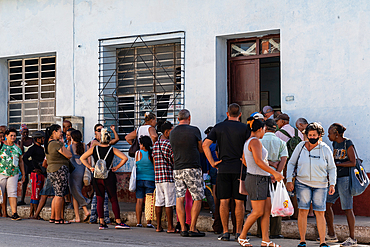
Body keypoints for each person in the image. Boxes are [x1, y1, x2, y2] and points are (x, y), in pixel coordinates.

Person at [203, 103, 249, 241]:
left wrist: (212, 162)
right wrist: (245, 159)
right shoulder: (245, 128)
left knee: (223, 201)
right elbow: (249, 145)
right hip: (239, 169)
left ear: (227, 113)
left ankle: (225, 232)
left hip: (223, 168)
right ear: (240, 114)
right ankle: (239, 232)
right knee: (239, 201)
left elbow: (205, 144)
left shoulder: (219, 127)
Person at [286, 122, 337, 247]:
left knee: (320, 212)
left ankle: (322, 242)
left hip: (321, 185)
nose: (312, 137)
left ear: (320, 135)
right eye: (310, 135)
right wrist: (288, 179)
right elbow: (291, 163)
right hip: (302, 183)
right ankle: (302, 241)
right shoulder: (300, 146)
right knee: (302, 211)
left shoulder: (325, 148)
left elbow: (332, 167)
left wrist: (332, 184)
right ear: (306, 135)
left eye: (315, 135)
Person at [237, 118, 284, 247]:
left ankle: (265, 240)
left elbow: (245, 160)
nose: (265, 131)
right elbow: (258, 161)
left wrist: (268, 173)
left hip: (261, 178)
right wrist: (274, 172)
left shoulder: (249, 141)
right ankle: (242, 236)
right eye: (264, 129)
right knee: (257, 211)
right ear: (260, 129)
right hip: (257, 179)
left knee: (266, 211)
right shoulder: (255, 141)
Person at [80, 128, 130, 230]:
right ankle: (118, 221)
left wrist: (90, 167)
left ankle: (102, 223)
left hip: (96, 176)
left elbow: (82, 158)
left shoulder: (94, 149)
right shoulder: (112, 150)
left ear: (100, 139)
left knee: (99, 198)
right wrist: (116, 167)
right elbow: (125, 158)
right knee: (113, 199)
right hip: (109, 175)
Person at [170, 109, 205, 237]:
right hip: (192, 168)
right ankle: (193, 228)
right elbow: (201, 149)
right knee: (198, 197)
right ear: (189, 118)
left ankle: (183, 228)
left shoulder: (172, 132)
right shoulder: (194, 130)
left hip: (177, 168)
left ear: (178, 119)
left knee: (179, 198)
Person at [325, 123, 357, 246]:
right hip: (335, 179)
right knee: (327, 204)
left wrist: (336, 165)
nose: (328, 136)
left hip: (345, 179)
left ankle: (352, 238)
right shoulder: (334, 144)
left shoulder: (347, 143)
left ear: (336, 133)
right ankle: (332, 234)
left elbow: (352, 162)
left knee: (348, 208)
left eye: (330, 133)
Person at [256, 119, 288, 239]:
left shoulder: (259, 141)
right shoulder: (281, 142)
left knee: (261, 204)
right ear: (276, 129)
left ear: (265, 127)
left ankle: (261, 231)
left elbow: (257, 159)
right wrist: (277, 174)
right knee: (276, 203)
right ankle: (275, 232)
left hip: (261, 176)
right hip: (276, 178)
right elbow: (283, 159)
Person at [45, 124, 72, 224]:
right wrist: (63, 144)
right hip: (59, 170)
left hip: (51, 170)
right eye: (60, 131)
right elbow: (69, 155)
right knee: (60, 195)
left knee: (56, 195)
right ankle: (58, 218)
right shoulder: (56, 144)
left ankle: (53, 217)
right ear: (54, 132)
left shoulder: (48, 143)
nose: (62, 133)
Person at [152, 121, 176, 233]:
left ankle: (158, 226)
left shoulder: (156, 144)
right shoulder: (169, 145)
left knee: (159, 202)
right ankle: (170, 227)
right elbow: (174, 160)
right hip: (168, 177)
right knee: (169, 202)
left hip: (158, 177)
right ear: (166, 132)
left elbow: (154, 161)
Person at [0, 128, 26, 220]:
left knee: (13, 193)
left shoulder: (17, 147)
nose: (13, 137)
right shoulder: (1, 145)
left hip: (14, 173)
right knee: (0, 193)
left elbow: (21, 161)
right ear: (6, 136)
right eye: (11, 135)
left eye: (14, 135)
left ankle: (14, 213)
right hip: (1, 172)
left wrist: (23, 174)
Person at [68, 130, 91, 223]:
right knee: (75, 194)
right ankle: (77, 217)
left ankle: (85, 209)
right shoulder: (86, 146)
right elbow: (89, 161)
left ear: (72, 138)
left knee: (75, 192)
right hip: (83, 170)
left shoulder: (70, 147)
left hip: (73, 172)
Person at [22, 131, 46, 218]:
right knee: (36, 193)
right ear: (38, 139)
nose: (44, 140)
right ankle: (36, 213)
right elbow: (25, 158)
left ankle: (31, 213)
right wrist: (33, 168)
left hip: (41, 173)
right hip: (35, 174)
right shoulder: (33, 148)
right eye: (42, 138)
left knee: (36, 193)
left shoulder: (41, 149)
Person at [135, 136, 156, 228]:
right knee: (149, 201)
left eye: (140, 144)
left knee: (139, 201)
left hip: (139, 179)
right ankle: (148, 222)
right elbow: (155, 167)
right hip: (150, 179)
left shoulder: (138, 153)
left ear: (143, 145)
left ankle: (138, 222)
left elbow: (135, 165)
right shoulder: (152, 154)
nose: (139, 145)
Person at [17, 124, 34, 206]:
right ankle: (22, 199)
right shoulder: (19, 142)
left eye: (27, 132)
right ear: (21, 133)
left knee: (34, 180)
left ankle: (34, 198)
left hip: (32, 162)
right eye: (24, 132)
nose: (25, 134)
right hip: (25, 163)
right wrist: (22, 141)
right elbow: (20, 152)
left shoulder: (32, 140)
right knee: (25, 181)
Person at [0, 125, 7, 218]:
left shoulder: (5, 146)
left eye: (3, 137)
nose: (2, 138)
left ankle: (4, 212)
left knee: (3, 192)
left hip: (4, 170)